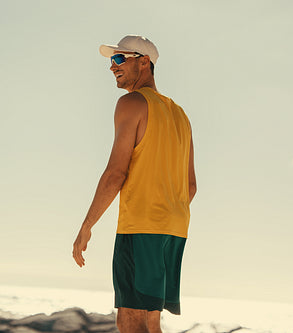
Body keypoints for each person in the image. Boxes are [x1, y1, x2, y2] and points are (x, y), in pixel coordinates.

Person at [73, 35, 196, 333]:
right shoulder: (180, 115)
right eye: (111, 61)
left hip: (142, 227)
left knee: (130, 319)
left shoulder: (131, 103)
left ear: (144, 62)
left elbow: (116, 173)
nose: (112, 66)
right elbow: (190, 185)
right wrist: (165, 210)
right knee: (150, 319)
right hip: (174, 227)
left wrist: (87, 225)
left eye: (119, 58)